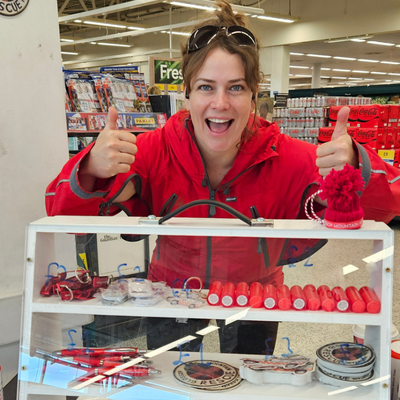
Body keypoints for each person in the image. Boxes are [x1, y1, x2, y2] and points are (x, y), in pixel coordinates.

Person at [46, 0, 400, 354]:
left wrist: (357, 167)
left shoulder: (289, 156)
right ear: (185, 92)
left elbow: (388, 207)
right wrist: (91, 169)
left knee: (248, 384)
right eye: (205, 87)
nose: (220, 103)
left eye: (235, 87)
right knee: (172, 388)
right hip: (170, 294)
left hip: (258, 297)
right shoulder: (152, 150)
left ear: (253, 94)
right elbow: (61, 217)